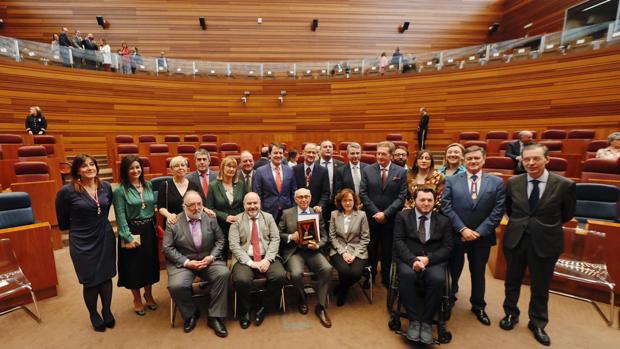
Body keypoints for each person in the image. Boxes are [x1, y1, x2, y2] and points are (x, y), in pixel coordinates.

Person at [500, 144, 576, 346]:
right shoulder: (513, 182)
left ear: (547, 159)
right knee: (511, 281)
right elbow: (510, 209)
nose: (531, 163)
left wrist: (541, 225)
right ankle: (510, 314)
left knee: (541, 285)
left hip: (546, 241)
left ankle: (538, 322)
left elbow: (567, 214)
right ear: (521, 160)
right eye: (526, 159)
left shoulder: (564, 184)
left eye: (536, 159)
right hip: (516, 239)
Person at [441, 146, 505, 326]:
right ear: (464, 160)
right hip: (456, 234)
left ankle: (478, 305)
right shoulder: (452, 180)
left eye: (477, 158)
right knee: (453, 269)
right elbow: (446, 207)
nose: (473, 162)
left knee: (478, 273)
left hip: (482, 237)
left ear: (484, 160)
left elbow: (498, 211)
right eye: (469, 159)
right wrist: (462, 229)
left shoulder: (496, 182)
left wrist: (479, 232)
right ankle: (449, 298)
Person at [55, 154, 116, 332]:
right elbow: (63, 222)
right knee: (90, 281)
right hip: (82, 241)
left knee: (106, 276)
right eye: (84, 166)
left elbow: (105, 209)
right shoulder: (66, 192)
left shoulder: (105, 187)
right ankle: (93, 313)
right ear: (77, 171)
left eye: (92, 164)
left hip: (104, 236)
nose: (90, 168)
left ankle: (106, 310)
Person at [393, 186, 454, 344]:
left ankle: (426, 322)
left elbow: (448, 247)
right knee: (406, 275)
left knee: (438, 279)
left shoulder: (444, 220)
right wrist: (413, 260)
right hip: (409, 259)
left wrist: (429, 259)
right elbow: (398, 242)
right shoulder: (402, 216)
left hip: (433, 261)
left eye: (430, 200)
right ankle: (414, 320)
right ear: (414, 201)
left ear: (435, 202)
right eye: (422, 200)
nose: (426, 203)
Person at [163, 190, 230, 336]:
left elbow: (220, 240)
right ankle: (191, 313)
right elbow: (167, 248)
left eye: (199, 204)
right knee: (176, 286)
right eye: (192, 205)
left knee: (223, 274)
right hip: (184, 262)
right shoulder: (173, 222)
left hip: (208, 259)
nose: (196, 208)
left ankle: (215, 316)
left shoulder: (210, 218)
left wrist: (212, 257)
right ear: (184, 206)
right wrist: (187, 262)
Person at [228, 192, 287, 329]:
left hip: (267, 255)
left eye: (255, 203)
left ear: (260, 204)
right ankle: (245, 311)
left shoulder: (269, 217)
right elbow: (234, 245)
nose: (252, 206)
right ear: (244, 205)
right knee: (242, 280)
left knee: (280, 276)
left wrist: (267, 260)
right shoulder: (236, 220)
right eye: (249, 203)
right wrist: (251, 263)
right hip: (245, 258)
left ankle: (264, 308)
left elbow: (275, 239)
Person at [112, 155, 160, 316]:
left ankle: (149, 294)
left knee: (149, 265)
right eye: (131, 168)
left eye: (138, 167)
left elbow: (152, 210)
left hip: (148, 230)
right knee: (134, 268)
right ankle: (137, 298)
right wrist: (127, 237)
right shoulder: (119, 191)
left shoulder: (148, 185)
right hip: (132, 231)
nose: (135, 170)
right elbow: (120, 215)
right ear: (125, 170)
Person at [279, 188, 333, 328]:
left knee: (327, 269)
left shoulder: (317, 214)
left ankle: (320, 307)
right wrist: (291, 237)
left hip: (312, 251)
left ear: (310, 198)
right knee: (296, 274)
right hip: (295, 251)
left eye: (306, 197)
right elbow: (278, 234)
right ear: (295, 199)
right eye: (300, 197)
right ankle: (302, 298)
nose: (303, 200)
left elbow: (325, 236)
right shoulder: (287, 213)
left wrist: (318, 245)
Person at [359, 141, 408, 286]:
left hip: (391, 218)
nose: (379, 156)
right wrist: (376, 212)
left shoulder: (401, 172)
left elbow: (402, 196)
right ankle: (371, 275)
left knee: (388, 249)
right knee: (371, 248)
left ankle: (386, 276)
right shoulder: (367, 170)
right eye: (378, 153)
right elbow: (363, 193)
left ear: (391, 156)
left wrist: (386, 214)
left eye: (383, 154)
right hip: (371, 217)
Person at [329, 188, 369, 306]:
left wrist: (354, 254)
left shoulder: (362, 215)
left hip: (357, 249)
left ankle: (341, 287)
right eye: (344, 200)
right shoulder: (334, 215)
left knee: (356, 274)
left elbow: (365, 238)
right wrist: (343, 252)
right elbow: (332, 237)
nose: (347, 203)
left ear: (354, 201)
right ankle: (343, 294)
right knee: (344, 270)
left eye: (350, 200)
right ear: (340, 202)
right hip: (338, 249)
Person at [252, 142, 297, 223]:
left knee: (286, 235)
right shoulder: (260, 171)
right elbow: (257, 194)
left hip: (287, 211)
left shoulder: (289, 170)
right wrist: (261, 213)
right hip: (268, 212)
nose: (278, 155)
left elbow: (293, 192)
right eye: (275, 153)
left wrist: (293, 209)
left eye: (281, 153)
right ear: (269, 154)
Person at [205, 157, 245, 242]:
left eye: (234, 167)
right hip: (221, 226)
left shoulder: (240, 184)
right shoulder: (213, 186)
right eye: (228, 166)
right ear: (222, 168)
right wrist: (225, 217)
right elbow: (210, 208)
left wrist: (239, 217)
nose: (231, 169)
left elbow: (244, 205)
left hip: (239, 225)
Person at [158, 156, 204, 227]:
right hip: (173, 223)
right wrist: (169, 215)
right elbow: (161, 207)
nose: (180, 168)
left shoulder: (194, 185)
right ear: (171, 169)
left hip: (192, 224)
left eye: (183, 165)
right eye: (176, 166)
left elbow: (199, 205)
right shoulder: (165, 185)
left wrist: (206, 210)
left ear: (186, 168)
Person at [293, 143, 330, 213]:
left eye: (313, 153)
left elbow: (326, 193)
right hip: (298, 210)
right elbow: (292, 190)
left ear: (316, 155)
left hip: (316, 210)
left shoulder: (323, 171)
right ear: (303, 153)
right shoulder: (295, 170)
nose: (311, 155)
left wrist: (320, 206)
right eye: (309, 152)